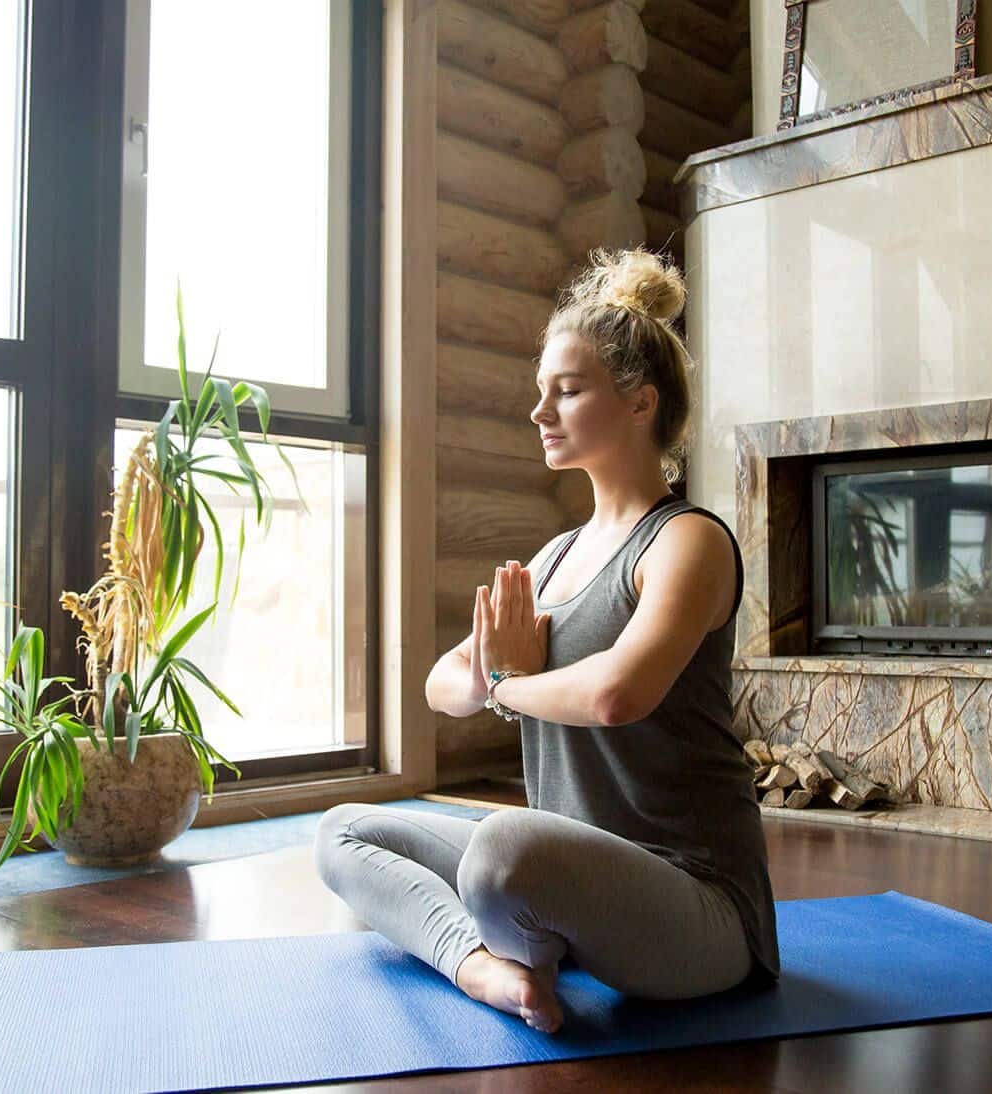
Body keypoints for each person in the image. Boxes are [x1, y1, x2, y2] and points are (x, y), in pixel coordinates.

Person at [313, 248, 778, 1034]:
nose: (540, 412)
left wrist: (503, 687)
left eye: (567, 391)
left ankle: (515, 942)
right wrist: (491, 676)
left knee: (502, 852)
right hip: (572, 879)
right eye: (541, 392)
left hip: (697, 907)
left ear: (640, 404)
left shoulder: (686, 542)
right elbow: (442, 683)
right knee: (343, 831)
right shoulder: (554, 556)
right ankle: (484, 967)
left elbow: (616, 693)